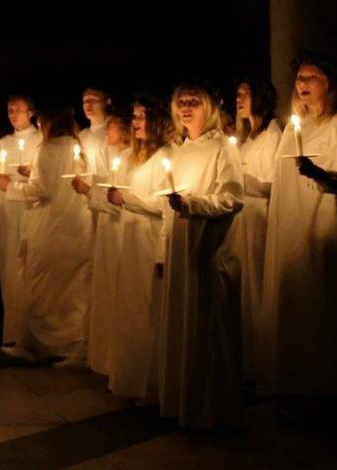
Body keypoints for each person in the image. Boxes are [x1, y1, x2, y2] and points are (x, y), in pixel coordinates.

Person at [258, 55, 337, 405]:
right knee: (292, 301)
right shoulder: (294, 126)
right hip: (291, 223)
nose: (303, 83)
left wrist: (317, 173)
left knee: (319, 303)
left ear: (328, 83)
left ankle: (323, 388)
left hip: (320, 222)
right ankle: (291, 383)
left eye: (312, 77)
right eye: (299, 77)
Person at [157, 83, 244, 429]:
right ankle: (185, 405)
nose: (187, 108)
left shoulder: (222, 148)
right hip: (180, 246)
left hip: (209, 247)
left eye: (194, 102)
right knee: (184, 324)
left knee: (208, 328)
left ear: (209, 107)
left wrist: (192, 203)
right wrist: (163, 246)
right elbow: (168, 205)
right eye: (182, 102)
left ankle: (212, 411)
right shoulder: (179, 150)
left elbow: (232, 198)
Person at [0, 108, 92, 367]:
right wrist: (34, 172)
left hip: (51, 228)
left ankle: (42, 346)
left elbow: (43, 189)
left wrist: (10, 186)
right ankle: (70, 345)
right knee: (71, 290)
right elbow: (60, 181)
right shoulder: (78, 146)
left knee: (43, 287)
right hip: (77, 226)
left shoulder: (47, 148)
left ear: (47, 124)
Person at [106, 98, 171, 401]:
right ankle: (129, 379)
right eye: (134, 116)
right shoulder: (133, 156)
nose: (136, 122)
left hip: (148, 241)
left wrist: (127, 200)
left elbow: (165, 205)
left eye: (143, 117)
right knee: (129, 309)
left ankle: (152, 383)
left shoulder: (166, 157)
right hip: (129, 242)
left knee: (147, 310)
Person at [231, 78, 280, 381]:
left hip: (259, 217)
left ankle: (263, 365)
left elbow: (274, 183)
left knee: (256, 287)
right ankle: (245, 360)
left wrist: (244, 180)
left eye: (245, 93)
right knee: (242, 288)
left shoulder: (273, 135)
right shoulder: (245, 138)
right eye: (237, 94)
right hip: (241, 219)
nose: (239, 99)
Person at [0, 94, 42, 345]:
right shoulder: (4, 143)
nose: (13, 114)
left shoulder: (41, 139)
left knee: (31, 266)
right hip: (8, 212)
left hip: (31, 208)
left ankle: (32, 332)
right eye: (9, 110)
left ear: (31, 112)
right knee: (9, 267)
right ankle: (12, 332)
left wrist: (29, 175)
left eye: (18, 109)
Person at [85, 111, 131, 375]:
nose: (107, 132)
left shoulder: (126, 158)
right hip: (106, 229)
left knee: (114, 288)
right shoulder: (116, 158)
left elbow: (119, 203)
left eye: (112, 127)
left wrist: (90, 192)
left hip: (117, 232)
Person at [79, 87, 112, 180]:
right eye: (85, 101)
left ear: (107, 102)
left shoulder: (112, 133)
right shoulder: (83, 136)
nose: (88, 104)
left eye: (93, 99)